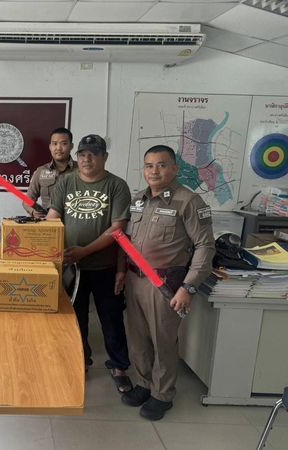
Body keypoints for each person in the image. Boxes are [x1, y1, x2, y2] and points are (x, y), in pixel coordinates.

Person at [119, 145, 215, 421]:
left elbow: (205, 246)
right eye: (149, 165)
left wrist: (188, 287)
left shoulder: (189, 201)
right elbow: (127, 241)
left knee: (163, 340)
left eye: (161, 165)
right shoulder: (138, 200)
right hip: (135, 280)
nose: (154, 171)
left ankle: (162, 394)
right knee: (137, 338)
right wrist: (121, 272)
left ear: (174, 168)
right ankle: (143, 383)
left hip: (164, 284)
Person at [47, 134, 133, 394]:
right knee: (76, 318)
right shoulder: (66, 182)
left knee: (111, 318)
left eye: (93, 154)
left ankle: (119, 367)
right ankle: (81, 361)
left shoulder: (116, 186)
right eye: (82, 154)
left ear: (104, 157)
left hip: (105, 266)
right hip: (71, 267)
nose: (87, 159)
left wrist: (85, 251)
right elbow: (53, 217)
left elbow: (118, 229)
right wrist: (43, 241)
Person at [23, 127, 77, 217]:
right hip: (49, 221)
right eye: (55, 144)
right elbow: (27, 200)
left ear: (71, 146)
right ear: (50, 147)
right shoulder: (41, 171)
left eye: (64, 143)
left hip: (74, 221)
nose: (58, 148)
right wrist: (33, 212)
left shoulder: (81, 170)